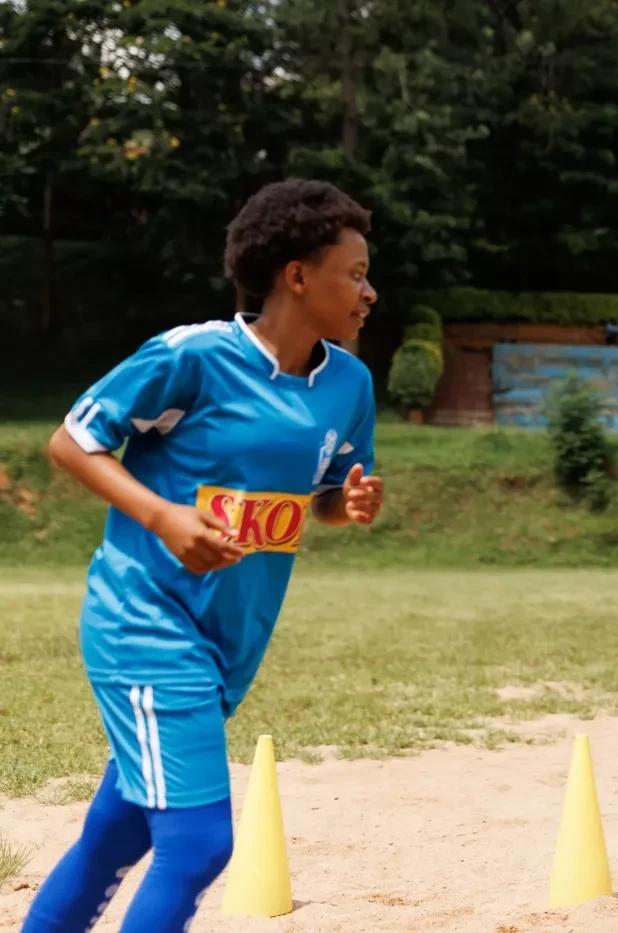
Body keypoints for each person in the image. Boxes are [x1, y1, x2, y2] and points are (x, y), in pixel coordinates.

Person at [22, 179, 386, 932]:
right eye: (354, 273)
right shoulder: (193, 357)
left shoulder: (347, 384)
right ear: (296, 275)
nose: (369, 291)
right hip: (147, 625)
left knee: (117, 832)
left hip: (228, 643)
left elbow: (322, 490)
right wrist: (163, 516)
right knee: (197, 845)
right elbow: (72, 440)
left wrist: (343, 504)